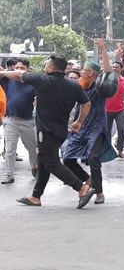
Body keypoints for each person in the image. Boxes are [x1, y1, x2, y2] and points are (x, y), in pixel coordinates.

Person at [0, 55, 95, 208]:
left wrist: (3, 73)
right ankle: (36, 196)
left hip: (46, 130)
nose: (45, 67)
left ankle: (81, 187)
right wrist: (79, 122)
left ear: (51, 67)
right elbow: (86, 104)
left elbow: (18, 75)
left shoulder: (42, 80)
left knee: (50, 162)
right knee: (43, 161)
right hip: (61, 130)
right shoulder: (73, 85)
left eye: (47, 64)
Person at [62, 40, 119, 205]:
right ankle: (87, 180)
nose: (82, 73)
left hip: (96, 127)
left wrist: (102, 50)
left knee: (94, 158)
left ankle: (99, 192)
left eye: (85, 71)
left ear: (93, 74)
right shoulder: (79, 87)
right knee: (67, 159)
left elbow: (107, 71)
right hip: (79, 127)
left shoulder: (100, 87)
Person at [1, 58, 37, 184]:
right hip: (10, 120)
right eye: (17, 67)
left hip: (27, 121)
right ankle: (9, 174)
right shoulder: (8, 80)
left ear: (28, 70)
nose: (19, 70)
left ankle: (35, 166)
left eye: (22, 68)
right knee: (10, 150)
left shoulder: (32, 83)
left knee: (32, 148)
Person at [105, 60, 124, 158]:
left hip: (120, 109)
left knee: (121, 129)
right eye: (113, 67)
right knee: (106, 130)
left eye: (117, 67)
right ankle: (107, 150)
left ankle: (120, 151)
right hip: (107, 109)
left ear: (121, 69)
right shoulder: (107, 80)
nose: (114, 69)